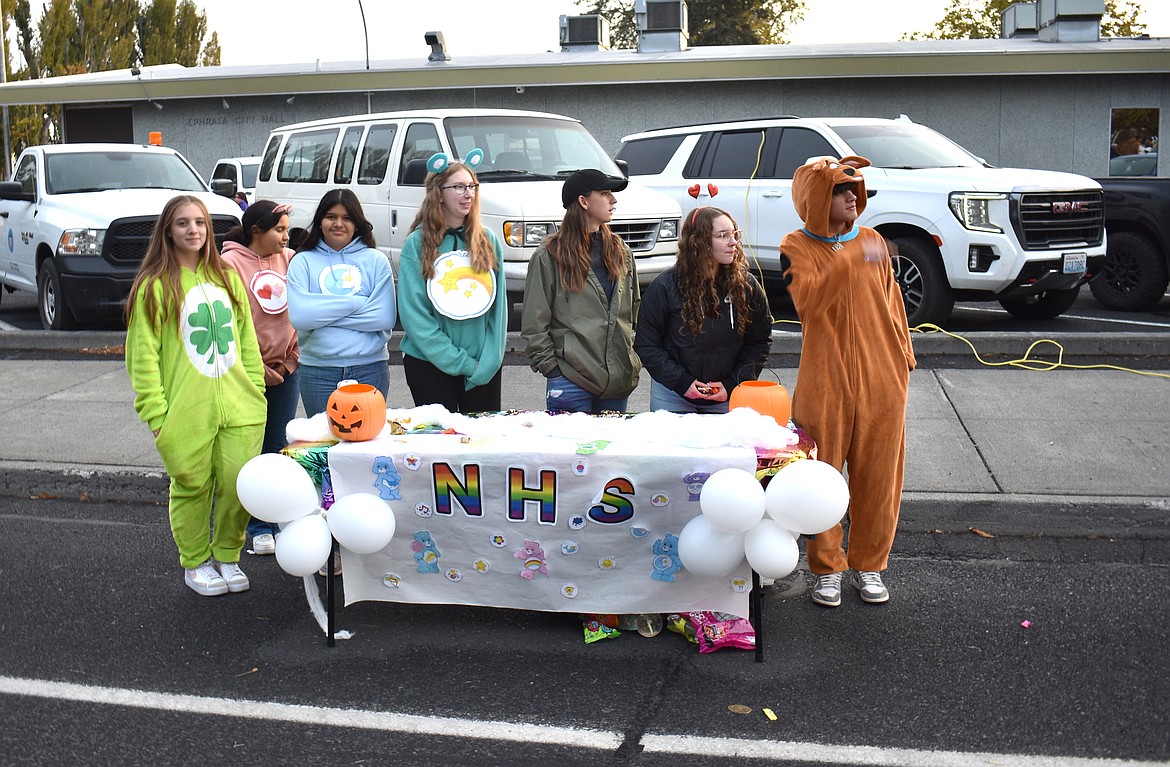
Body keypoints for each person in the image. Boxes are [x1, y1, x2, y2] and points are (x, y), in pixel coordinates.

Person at [778, 156, 916, 608]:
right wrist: (844, 257)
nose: (852, 199)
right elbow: (809, 303)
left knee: (879, 478)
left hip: (883, 379)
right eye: (840, 191)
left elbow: (893, 301)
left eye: (855, 191)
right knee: (822, 477)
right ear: (816, 198)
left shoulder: (873, 240)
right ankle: (826, 568)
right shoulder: (795, 246)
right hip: (826, 379)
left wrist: (903, 357)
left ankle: (870, 565)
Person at [124, 194, 267, 597]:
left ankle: (227, 554)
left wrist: (255, 389)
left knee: (240, 483)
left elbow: (247, 341)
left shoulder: (227, 277)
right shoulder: (155, 286)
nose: (193, 230)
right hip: (186, 411)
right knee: (192, 485)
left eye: (200, 223)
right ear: (168, 230)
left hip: (241, 405)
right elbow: (142, 358)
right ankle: (196, 561)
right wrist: (156, 415)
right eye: (183, 223)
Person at [521, 169, 641, 413]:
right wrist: (553, 371)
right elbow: (534, 323)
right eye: (605, 193)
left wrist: (631, 359)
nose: (613, 200)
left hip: (617, 381)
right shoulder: (549, 255)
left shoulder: (622, 251)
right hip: (570, 380)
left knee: (611, 451)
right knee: (570, 451)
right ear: (583, 201)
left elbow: (633, 310)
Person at [633, 206, 772, 414]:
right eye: (723, 236)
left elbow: (759, 341)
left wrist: (733, 383)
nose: (733, 242)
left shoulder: (746, 285)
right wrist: (682, 382)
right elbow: (647, 344)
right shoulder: (664, 286)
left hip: (726, 394)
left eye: (734, 234)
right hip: (674, 393)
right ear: (698, 241)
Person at [219, 200, 299, 556]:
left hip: (288, 369)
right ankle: (255, 526)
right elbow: (231, 321)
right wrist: (256, 368)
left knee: (278, 447)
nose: (285, 236)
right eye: (279, 230)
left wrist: (290, 360)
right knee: (249, 449)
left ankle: (273, 516)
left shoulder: (292, 259)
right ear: (256, 231)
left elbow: (300, 313)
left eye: (286, 229)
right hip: (247, 373)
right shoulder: (228, 264)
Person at [398, 156, 507, 412]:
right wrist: (461, 363)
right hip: (428, 364)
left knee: (481, 445)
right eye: (459, 187)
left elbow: (499, 311)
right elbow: (415, 317)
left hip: (483, 366)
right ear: (438, 194)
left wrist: (490, 362)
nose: (468, 194)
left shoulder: (488, 240)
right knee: (439, 447)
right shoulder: (417, 244)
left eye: (472, 186)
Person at [287, 189, 395, 418]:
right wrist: (359, 302)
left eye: (347, 218)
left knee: (367, 446)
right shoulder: (302, 261)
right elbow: (300, 317)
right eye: (331, 217)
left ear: (357, 223)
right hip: (318, 371)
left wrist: (322, 313)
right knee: (324, 446)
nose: (338, 224)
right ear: (320, 222)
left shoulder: (376, 261)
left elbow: (383, 317)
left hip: (370, 367)